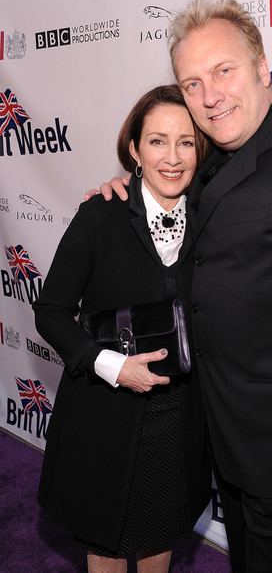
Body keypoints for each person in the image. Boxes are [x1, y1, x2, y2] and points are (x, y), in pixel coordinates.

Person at [95, 0, 272, 573]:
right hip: (223, 438)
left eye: (223, 71)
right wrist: (125, 192)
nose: (209, 96)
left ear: (260, 65)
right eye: (192, 82)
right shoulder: (217, 158)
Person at [33, 84, 211, 573]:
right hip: (105, 414)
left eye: (185, 142)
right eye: (157, 141)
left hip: (181, 416)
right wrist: (111, 366)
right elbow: (50, 311)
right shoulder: (100, 214)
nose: (172, 157)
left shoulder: (213, 216)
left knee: (160, 536)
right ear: (134, 150)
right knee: (106, 545)